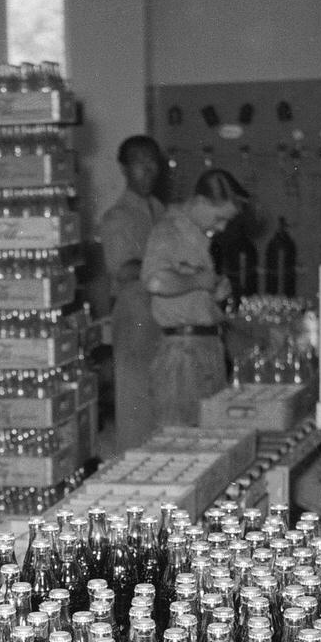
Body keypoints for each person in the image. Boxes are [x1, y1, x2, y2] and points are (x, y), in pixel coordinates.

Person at [140, 167, 249, 426]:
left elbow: (187, 287)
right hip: (182, 355)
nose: (221, 227)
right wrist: (199, 280)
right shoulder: (169, 232)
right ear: (200, 202)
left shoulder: (197, 236)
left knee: (210, 438)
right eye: (219, 218)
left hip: (204, 348)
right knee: (180, 443)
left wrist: (213, 292)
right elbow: (155, 281)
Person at [98, 134, 168, 304]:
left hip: (160, 304)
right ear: (124, 168)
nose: (147, 169)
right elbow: (123, 271)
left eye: (152, 161)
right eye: (139, 163)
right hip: (131, 307)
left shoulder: (160, 209)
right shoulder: (116, 217)